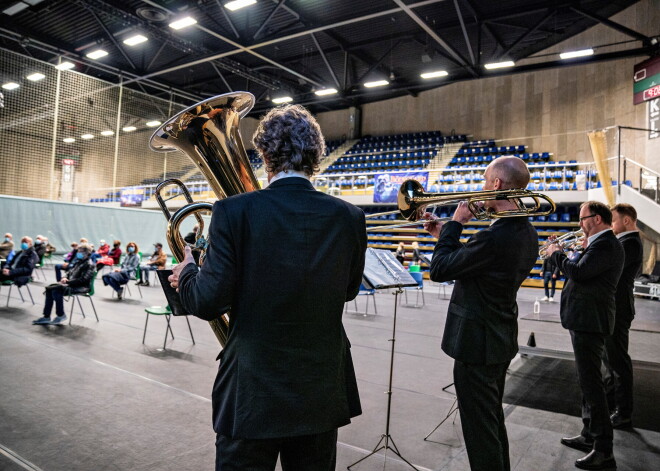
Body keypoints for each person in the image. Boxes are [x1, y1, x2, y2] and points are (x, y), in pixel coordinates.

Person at [169, 104, 366, 471]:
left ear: (263, 154)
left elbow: (208, 302)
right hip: (320, 388)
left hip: (252, 390)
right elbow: (349, 290)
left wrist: (190, 271)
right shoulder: (350, 216)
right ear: (316, 155)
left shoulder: (232, 211)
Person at [423, 156, 538, 471]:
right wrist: (443, 235)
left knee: (479, 431)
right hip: (498, 339)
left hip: (477, 343)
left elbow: (440, 269)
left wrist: (456, 224)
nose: (482, 187)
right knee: (491, 421)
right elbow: (479, 267)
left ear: (498, 184)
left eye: (486, 180)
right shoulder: (526, 231)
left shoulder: (493, 235)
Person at [546, 201, 624, 471]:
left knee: (592, 384)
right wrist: (568, 254)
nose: (580, 224)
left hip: (591, 322)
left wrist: (557, 254)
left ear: (599, 219)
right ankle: (589, 433)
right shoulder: (596, 245)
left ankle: (604, 449)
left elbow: (578, 273)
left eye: (584, 218)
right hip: (584, 320)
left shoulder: (606, 245)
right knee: (586, 380)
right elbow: (581, 272)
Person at [605, 203, 643, 429]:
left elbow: (609, 270)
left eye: (614, 221)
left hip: (618, 309)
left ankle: (624, 412)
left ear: (626, 221)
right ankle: (613, 406)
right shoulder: (625, 242)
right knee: (612, 361)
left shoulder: (629, 243)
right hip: (616, 308)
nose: (611, 225)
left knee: (618, 362)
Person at [32, 243, 95, 326]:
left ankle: (60, 315)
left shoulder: (90, 265)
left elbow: (83, 280)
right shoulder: (79, 262)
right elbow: (69, 272)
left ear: (87, 253)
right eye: (78, 251)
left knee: (56, 290)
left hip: (82, 287)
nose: (78, 253)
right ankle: (46, 316)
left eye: (81, 251)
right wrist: (64, 278)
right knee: (49, 289)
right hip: (72, 284)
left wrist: (68, 282)